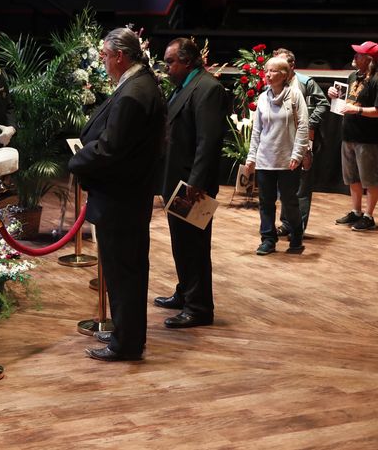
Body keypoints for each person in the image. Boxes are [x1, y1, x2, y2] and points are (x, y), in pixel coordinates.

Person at [69, 28, 165, 362]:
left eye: (106, 56)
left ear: (120, 56)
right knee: (127, 270)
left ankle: (126, 343)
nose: (104, 61)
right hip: (128, 196)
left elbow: (111, 149)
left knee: (124, 272)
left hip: (120, 199)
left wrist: (75, 160)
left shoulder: (133, 93)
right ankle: (127, 332)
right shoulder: (142, 84)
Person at [155, 38, 228, 328]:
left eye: (171, 61)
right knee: (181, 243)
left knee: (194, 246)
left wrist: (196, 183)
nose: (167, 67)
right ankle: (185, 292)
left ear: (187, 61)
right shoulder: (183, 87)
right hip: (177, 181)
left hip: (193, 185)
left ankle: (199, 308)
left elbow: (208, 142)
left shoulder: (208, 88)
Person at [244, 55, 309, 255]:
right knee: (266, 202)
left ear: (284, 74)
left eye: (273, 71)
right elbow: (257, 130)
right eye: (267, 71)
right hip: (265, 159)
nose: (268, 74)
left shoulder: (295, 96)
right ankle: (268, 239)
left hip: (288, 159)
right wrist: (251, 157)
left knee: (289, 201)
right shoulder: (263, 97)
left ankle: (296, 235)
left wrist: (297, 154)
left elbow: (303, 127)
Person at [328, 41, 378, 231]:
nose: (354, 57)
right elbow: (348, 100)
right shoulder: (353, 76)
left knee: (369, 178)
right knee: (352, 177)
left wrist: (358, 110)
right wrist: (334, 95)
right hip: (349, 134)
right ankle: (356, 211)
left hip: (366, 138)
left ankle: (369, 216)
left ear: (369, 59)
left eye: (359, 54)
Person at [273, 47, 330, 238]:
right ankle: (286, 224)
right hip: (282, 140)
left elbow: (323, 103)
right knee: (284, 184)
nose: (276, 68)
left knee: (302, 186)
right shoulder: (273, 83)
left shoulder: (305, 82)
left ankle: (299, 227)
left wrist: (309, 124)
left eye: (282, 64)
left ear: (292, 65)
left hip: (304, 139)